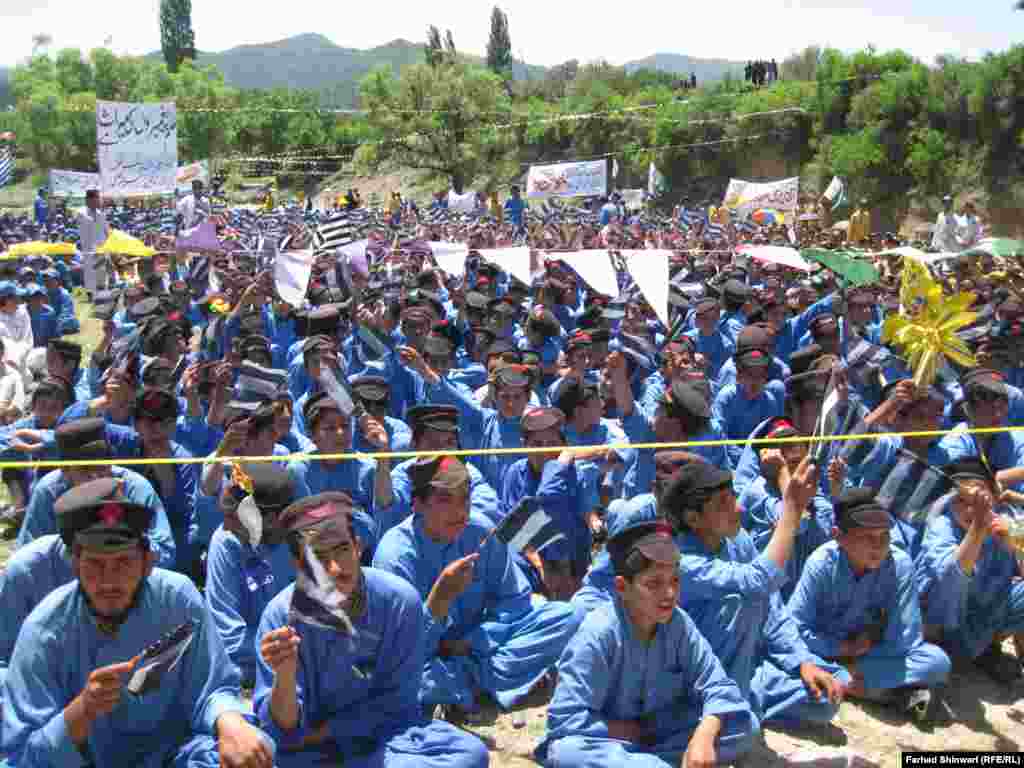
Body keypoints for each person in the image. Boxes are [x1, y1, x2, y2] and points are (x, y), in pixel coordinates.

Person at [3, 477, 275, 768]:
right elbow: (24, 755)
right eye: (95, 565)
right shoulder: (45, 630)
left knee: (251, 750)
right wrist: (82, 711)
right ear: (76, 565)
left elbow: (212, 688)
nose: (109, 581)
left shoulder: (176, 600)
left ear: (147, 563)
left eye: (123, 563)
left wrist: (230, 721)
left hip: (173, 757)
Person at [254, 491, 490, 768]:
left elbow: (399, 704)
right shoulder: (280, 616)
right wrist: (284, 675)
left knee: (472, 753)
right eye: (317, 557)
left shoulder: (399, 600)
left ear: (358, 546)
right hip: (311, 751)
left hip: (383, 738)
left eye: (342, 549)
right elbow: (284, 729)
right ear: (298, 564)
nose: (333, 568)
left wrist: (331, 730)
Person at [372, 455, 582, 720]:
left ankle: (468, 690)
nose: (460, 511)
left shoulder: (480, 530)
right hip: (430, 659)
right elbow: (399, 652)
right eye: (445, 500)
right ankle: (497, 683)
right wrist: (439, 602)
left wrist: (472, 642)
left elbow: (515, 599)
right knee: (411, 681)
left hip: (478, 646)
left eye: (465, 499)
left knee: (567, 615)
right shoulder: (395, 557)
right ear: (417, 505)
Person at [536, 520, 757, 768]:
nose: (669, 594)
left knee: (744, 724)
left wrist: (704, 735)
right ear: (622, 587)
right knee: (567, 752)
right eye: (654, 584)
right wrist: (623, 730)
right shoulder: (598, 633)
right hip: (609, 742)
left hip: (660, 736)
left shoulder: (679, 624)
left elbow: (717, 684)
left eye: (675, 581)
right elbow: (564, 720)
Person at [788, 488, 951, 723]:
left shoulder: (899, 565)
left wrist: (858, 665)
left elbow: (905, 639)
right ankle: (889, 693)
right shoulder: (821, 563)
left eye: (884, 537)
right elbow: (795, 630)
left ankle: (849, 683)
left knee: (937, 662)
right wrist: (843, 648)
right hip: (824, 651)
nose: (878, 546)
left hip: (872, 657)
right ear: (839, 536)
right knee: (794, 662)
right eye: (867, 538)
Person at [915, 459, 1024, 684]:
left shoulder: (1006, 523)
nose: (969, 509)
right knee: (952, 580)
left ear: (994, 498)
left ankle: (989, 653)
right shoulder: (942, 525)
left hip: (979, 629)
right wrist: (978, 529)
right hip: (937, 633)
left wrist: (1015, 543)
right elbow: (950, 574)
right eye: (961, 501)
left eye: (978, 501)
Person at [205, 463, 297, 686]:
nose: (226, 526)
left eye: (235, 518)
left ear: (273, 519)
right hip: (251, 669)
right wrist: (287, 648)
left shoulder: (306, 540)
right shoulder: (226, 542)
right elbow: (227, 635)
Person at [76, 188, 110, 296]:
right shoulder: (82, 212)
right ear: (89, 200)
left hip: (102, 248)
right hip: (90, 249)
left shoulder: (101, 213)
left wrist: (108, 245)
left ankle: (102, 292)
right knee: (90, 273)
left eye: (99, 198)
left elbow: (106, 230)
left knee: (102, 272)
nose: (99, 200)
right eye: (97, 198)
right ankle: (91, 294)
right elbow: (89, 222)